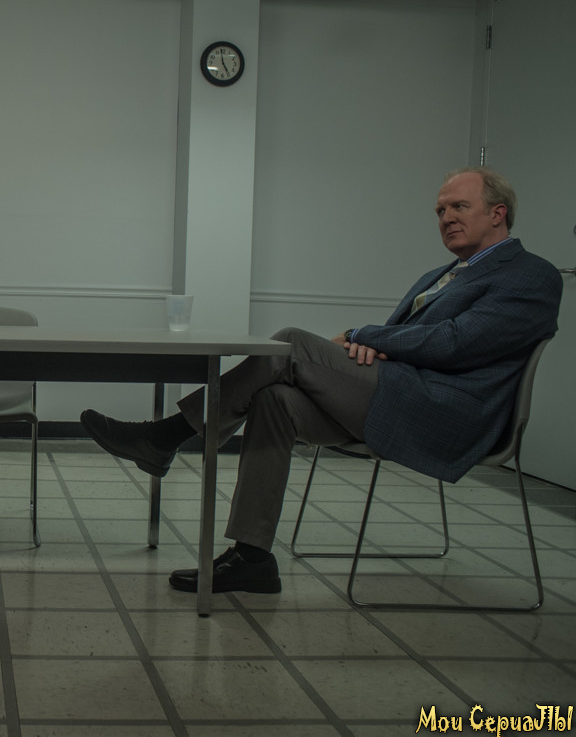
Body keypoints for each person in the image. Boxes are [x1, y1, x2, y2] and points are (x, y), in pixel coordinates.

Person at [81, 168, 563, 595]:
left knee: (291, 341)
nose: (446, 218)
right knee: (274, 398)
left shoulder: (531, 276)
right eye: (440, 210)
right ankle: (252, 558)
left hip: (444, 414)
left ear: (498, 212)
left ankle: (165, 437)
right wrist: (376, 344)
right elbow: (413, 340)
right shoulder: (442, 274)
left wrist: (363, 336)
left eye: (459, 206)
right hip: (397, 395)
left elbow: (456, 343)